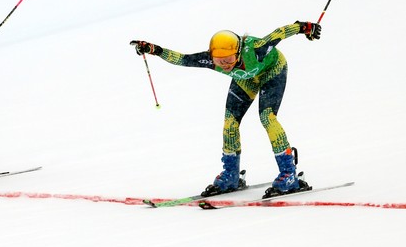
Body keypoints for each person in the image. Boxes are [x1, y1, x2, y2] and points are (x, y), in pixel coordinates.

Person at [129, 20, 322, 198]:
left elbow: (280, 32)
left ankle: (289, 175)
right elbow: (182, 59)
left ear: (238, 52)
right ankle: (231, 175)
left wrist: (305, 27)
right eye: (220, 61)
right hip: (245, 79)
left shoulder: (257, 49)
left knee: (267, 117)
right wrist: (154, 49)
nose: (225, 65)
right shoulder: (212, 60)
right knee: (230, 124)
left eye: (229, 60)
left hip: (273, 71)